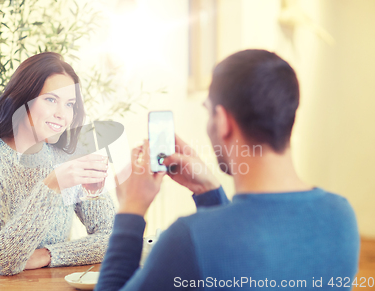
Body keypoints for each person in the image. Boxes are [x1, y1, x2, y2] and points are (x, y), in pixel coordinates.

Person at [95, 49, 359, 290]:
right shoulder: (341, 216)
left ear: (222, 121)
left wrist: (131, 208)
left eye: (209, 113)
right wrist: (208, 191)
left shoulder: (189, 239)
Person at [0, 52, 116, 281]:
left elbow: (112, 238)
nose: (62, 114)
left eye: (69, 104)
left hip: (52, 286)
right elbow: (4, 261)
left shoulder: (67, 158)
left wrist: (48, 255)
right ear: (24, 99)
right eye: (51, 100)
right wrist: (52, 184)